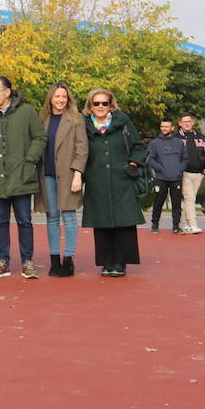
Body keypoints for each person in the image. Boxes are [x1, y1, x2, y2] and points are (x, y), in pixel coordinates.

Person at [0, 76, 47, 279]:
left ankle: (27, 261)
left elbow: (40, 137)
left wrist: (29, 160)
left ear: (7, 92)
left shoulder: (26, 112)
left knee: (24, 221)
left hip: (21, 176)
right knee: (0, 221)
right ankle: (3, 261)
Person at [82, 89, 147, 277]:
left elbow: (139, 146)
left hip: (122, 179)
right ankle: (107, 262)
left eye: (104, 103)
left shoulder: (124, 123)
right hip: (96, 180)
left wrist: (133, 164)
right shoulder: (84, 125)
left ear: (111, 105)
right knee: (101, 223)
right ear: (90, 106)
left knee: (124, 223)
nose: (100, 107)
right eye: (96, 103)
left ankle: (121, 262)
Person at [35, 82, 88, 277]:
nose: (60, 100)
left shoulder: (76, 119)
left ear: (68, 99)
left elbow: (82, 148)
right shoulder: (43, 119)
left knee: (69, 216)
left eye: (64, 97)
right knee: (52, 217)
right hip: (47, 174)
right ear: (51, 98)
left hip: (68, 174)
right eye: (57, 96)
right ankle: (54, 259)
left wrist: (78, 173)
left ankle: (68, 259)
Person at [147, 120, 186, 234]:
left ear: (172, 128)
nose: (164, 128)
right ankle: (154, 225)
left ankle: (176, 227)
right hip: (161, 178)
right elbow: (150, 159)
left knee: (176, 204)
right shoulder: (154, 143)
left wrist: (179, 169)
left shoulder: (179, 142)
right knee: (158, 202)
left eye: (167, 126)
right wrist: (160, 168)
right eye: (162, 126)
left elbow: (185, 159)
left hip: (176, 178)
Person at [177, 114, 205, 234]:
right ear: (180, 123)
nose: (187, 123)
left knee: (190, 199)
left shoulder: (201, 137)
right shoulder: (177, 138)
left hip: (198, 173)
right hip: (184, 173)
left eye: (189, 121)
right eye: (184, 121)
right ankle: (192, 224)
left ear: (193, 122)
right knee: (189, 198)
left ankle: (186, 224)